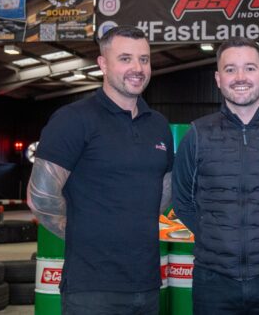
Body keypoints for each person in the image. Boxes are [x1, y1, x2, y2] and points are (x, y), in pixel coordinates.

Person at [27, 25, 173, 314]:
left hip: (146, 283)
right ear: (103, 64)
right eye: (125, 58)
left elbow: (164, 192)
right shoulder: (73, 119)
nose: (137, 68)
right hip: (92, 288)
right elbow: (40, 197)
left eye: (144, 59)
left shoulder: (158, 125)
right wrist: (84, 233)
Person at [172, 37, 259, 315]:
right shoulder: (198, 135)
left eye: (249, 68)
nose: (240, 77)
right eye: (230, 69)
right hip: (213, 281)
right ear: (218, 78)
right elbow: (184, 202)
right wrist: (215, 238)